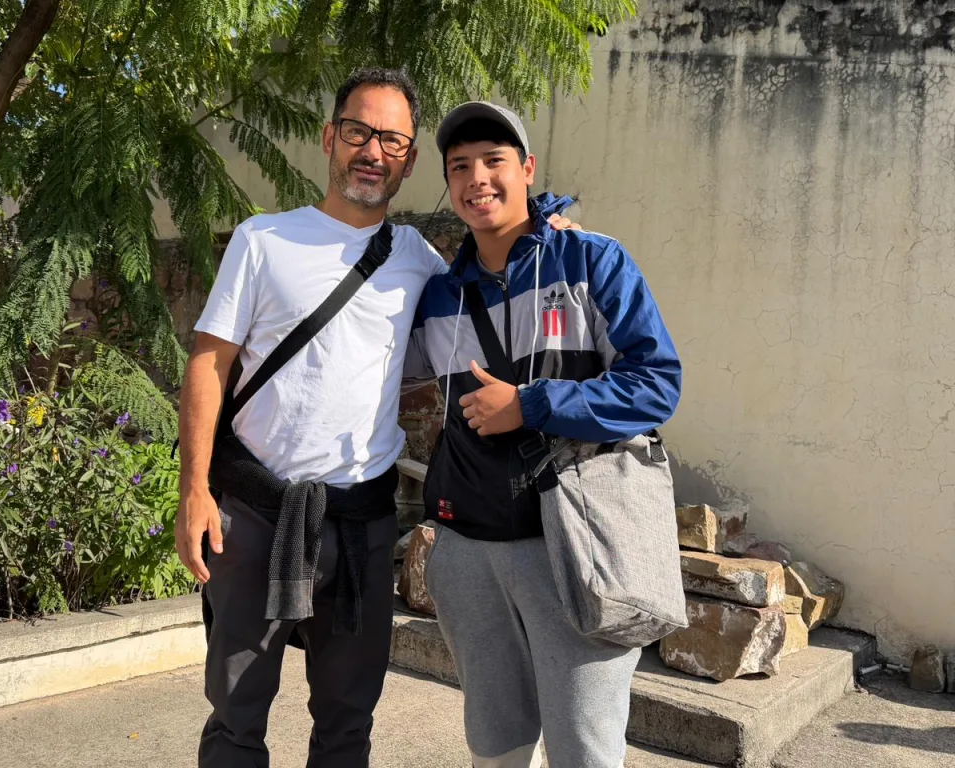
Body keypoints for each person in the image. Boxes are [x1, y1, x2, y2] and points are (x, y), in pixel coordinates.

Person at [176, 70, 576, 767]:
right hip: (258, 514)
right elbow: (209, 364)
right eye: (359, 132)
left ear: (409, 160)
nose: (372, 151)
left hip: (362, 521)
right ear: (330, 137)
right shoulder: (263, 240)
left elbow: (494, 281)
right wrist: (193, 491)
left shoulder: (419, 260)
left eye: (392, 140)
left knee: (348, 721)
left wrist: (551, 233)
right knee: (236, 716)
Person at [404, 102, 683, 768]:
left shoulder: (590, 261)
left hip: (577, 548)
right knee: (493, 739)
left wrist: (530, 405)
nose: (477, 179)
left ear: (527, 169)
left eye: (494, 161)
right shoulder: (440, 297)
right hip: (469, 551)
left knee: (585, 748)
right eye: (460, 167)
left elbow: (656, 385)